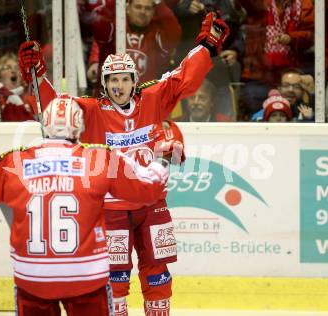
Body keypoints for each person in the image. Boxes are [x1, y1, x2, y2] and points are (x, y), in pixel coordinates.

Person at [18, 12, 229, 315]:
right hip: (111, 210)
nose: (119, 86)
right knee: (115, 278)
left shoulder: (153, 98)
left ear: (134, 81)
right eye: (113, 80)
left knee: (157, 273)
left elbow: (183, 77)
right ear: (104, 84)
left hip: (151, 205)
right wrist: (37, 73)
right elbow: (56, 107)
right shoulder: (91, 111)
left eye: (125, 79)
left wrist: (208, 46)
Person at [0, 97, 169, 316]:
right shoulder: (100, 158)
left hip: (33, 278)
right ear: (79, 126)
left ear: (45, 125)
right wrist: (163, 157)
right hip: (86, 277)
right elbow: (149, 188)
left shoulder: (14, 162)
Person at [87, 0, 182, 94]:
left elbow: (174, 31)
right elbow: (100, 26)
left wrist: (159, 3)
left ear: (154, 12)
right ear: (127, 8)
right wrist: (94, 62)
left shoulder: (158, 34)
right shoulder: (114, 28)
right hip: (109, 100)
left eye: (148, 8)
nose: (142, 12)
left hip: (143, 101)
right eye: (138, 7)